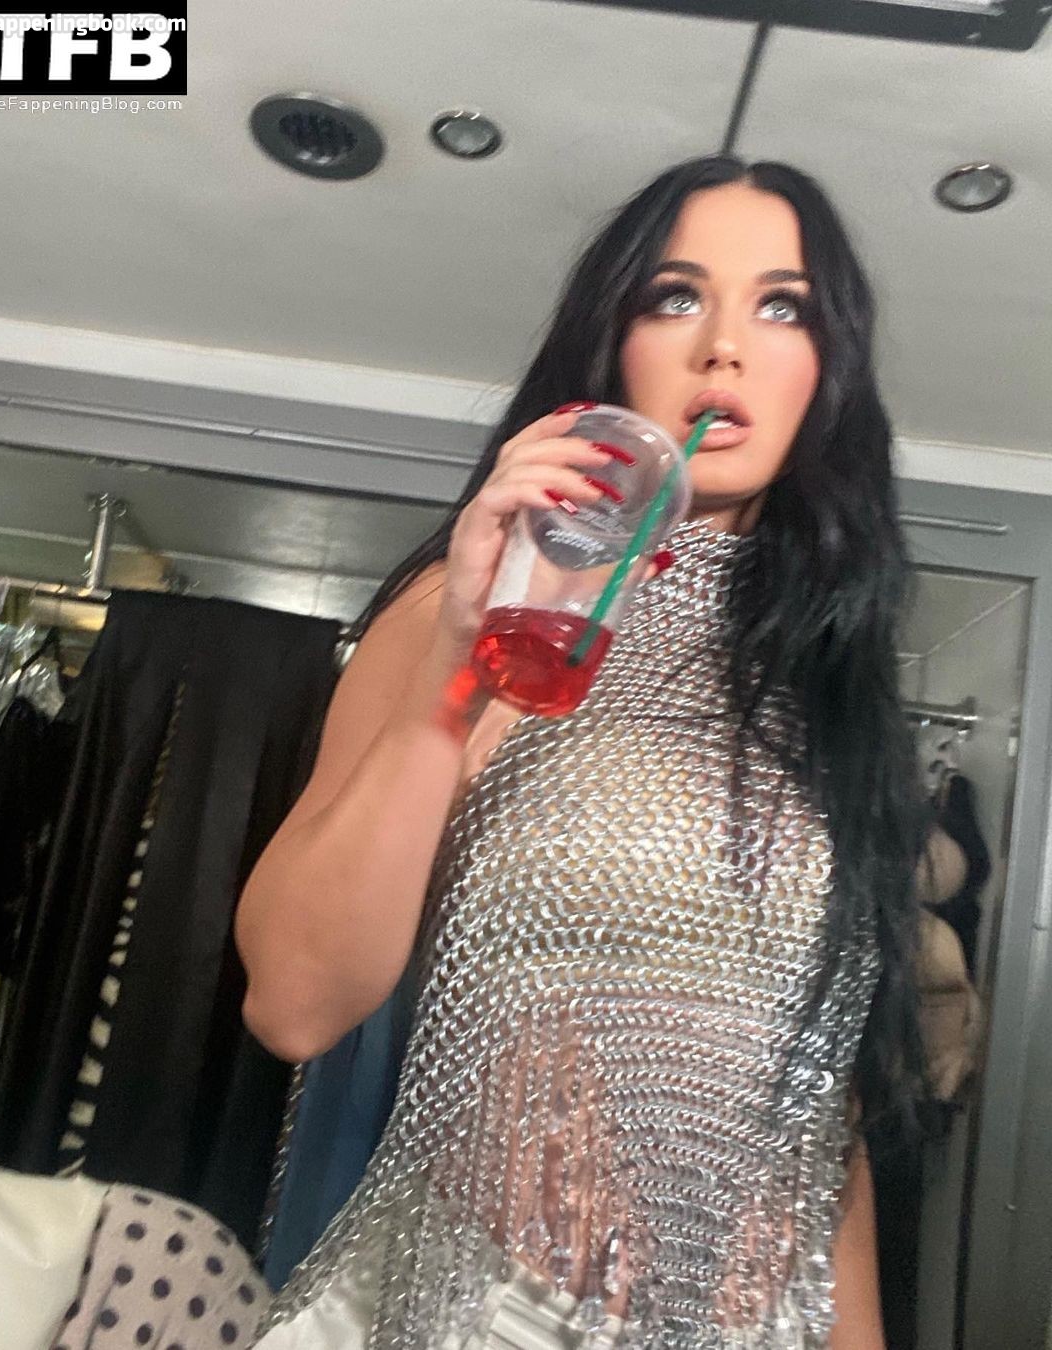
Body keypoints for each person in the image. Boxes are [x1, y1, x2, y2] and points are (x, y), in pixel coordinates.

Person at [235, 154, 927, 1349]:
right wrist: (458, 666)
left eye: (783, 307)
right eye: (676, 297)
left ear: (830, 369)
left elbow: (826, 1113)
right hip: (478, 1312)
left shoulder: (835, 696)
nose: (723, 346)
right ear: (614, 350)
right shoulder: (483, 616)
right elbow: (295, 1003)